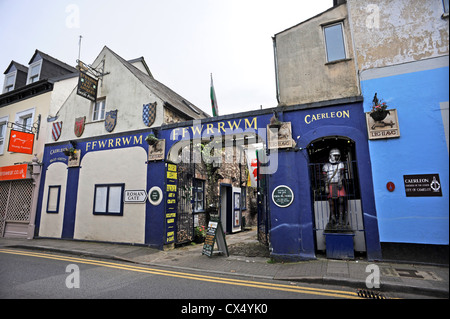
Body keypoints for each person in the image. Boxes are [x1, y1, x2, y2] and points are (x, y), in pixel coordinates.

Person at [323, 148, 348, 230]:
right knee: (331, 202)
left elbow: (341, 174)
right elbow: (325, 178)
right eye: (335, 156)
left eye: (338, 156)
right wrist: (326, 187)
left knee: (341, 200)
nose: (336, 157)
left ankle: (341, 217)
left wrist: (340, 182)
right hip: (331, 184)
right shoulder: (326, 166)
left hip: (338, 184)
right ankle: (333, 217)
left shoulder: (340, 164)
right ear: (331, 155)